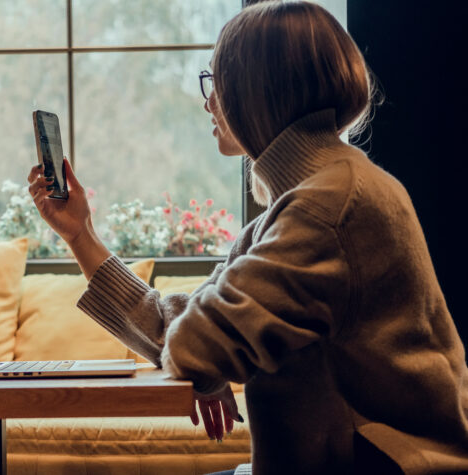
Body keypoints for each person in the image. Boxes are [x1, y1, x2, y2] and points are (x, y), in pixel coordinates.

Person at [27, 1, 468, 473]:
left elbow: (195, 343)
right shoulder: (304, 203)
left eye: (216, 81)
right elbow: (175, 326)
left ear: (258, 90)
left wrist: (207, 363)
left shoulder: (331, 205)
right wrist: (80, 234)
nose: (208, 100)